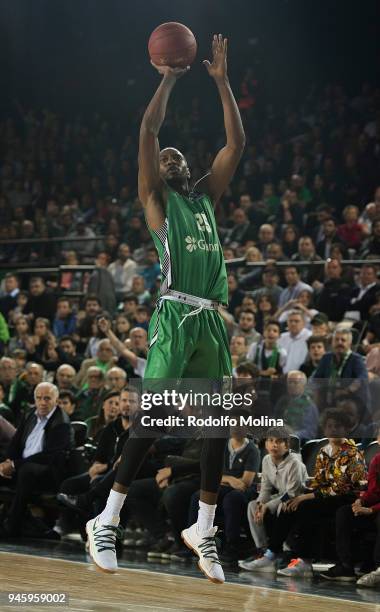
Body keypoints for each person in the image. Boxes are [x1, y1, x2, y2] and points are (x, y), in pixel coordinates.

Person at [86, 33, 245, 583]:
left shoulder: (205, 201)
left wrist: (223, 84)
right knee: (153, 420)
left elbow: (234, 147)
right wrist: (170, 79)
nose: (172, 157)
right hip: (175, 317)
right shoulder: (157, 200)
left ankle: (203, 528)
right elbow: (149, 130)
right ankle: (105, 518)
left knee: (218, 427)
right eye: (166, 157)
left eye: (179, 156)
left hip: (209, 321)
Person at [0, 382, 72, 537]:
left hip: (48, 473)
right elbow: (15, 443)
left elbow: (48, 457)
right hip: (23, 466)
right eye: (39, 398)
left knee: (27, 471)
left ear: (56, 400)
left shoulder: (62, 423)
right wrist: (7, 462)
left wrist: (14, 465)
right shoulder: (30, 414)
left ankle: (12, 525)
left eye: (47, 398)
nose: (43, 402)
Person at [239, 427, 306, 572]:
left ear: (287, 445)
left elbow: (292, 493)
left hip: (297, 497)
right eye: (270, 441)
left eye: (279, 442)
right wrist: (260, 504)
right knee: (252, 506)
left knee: (284, 506)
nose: (274, 445)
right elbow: (265, 489)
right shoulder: (266, 460)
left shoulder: (295, 462)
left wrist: (268, 506)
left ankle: (284, 552)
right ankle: (263, 551)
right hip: (282, 495)